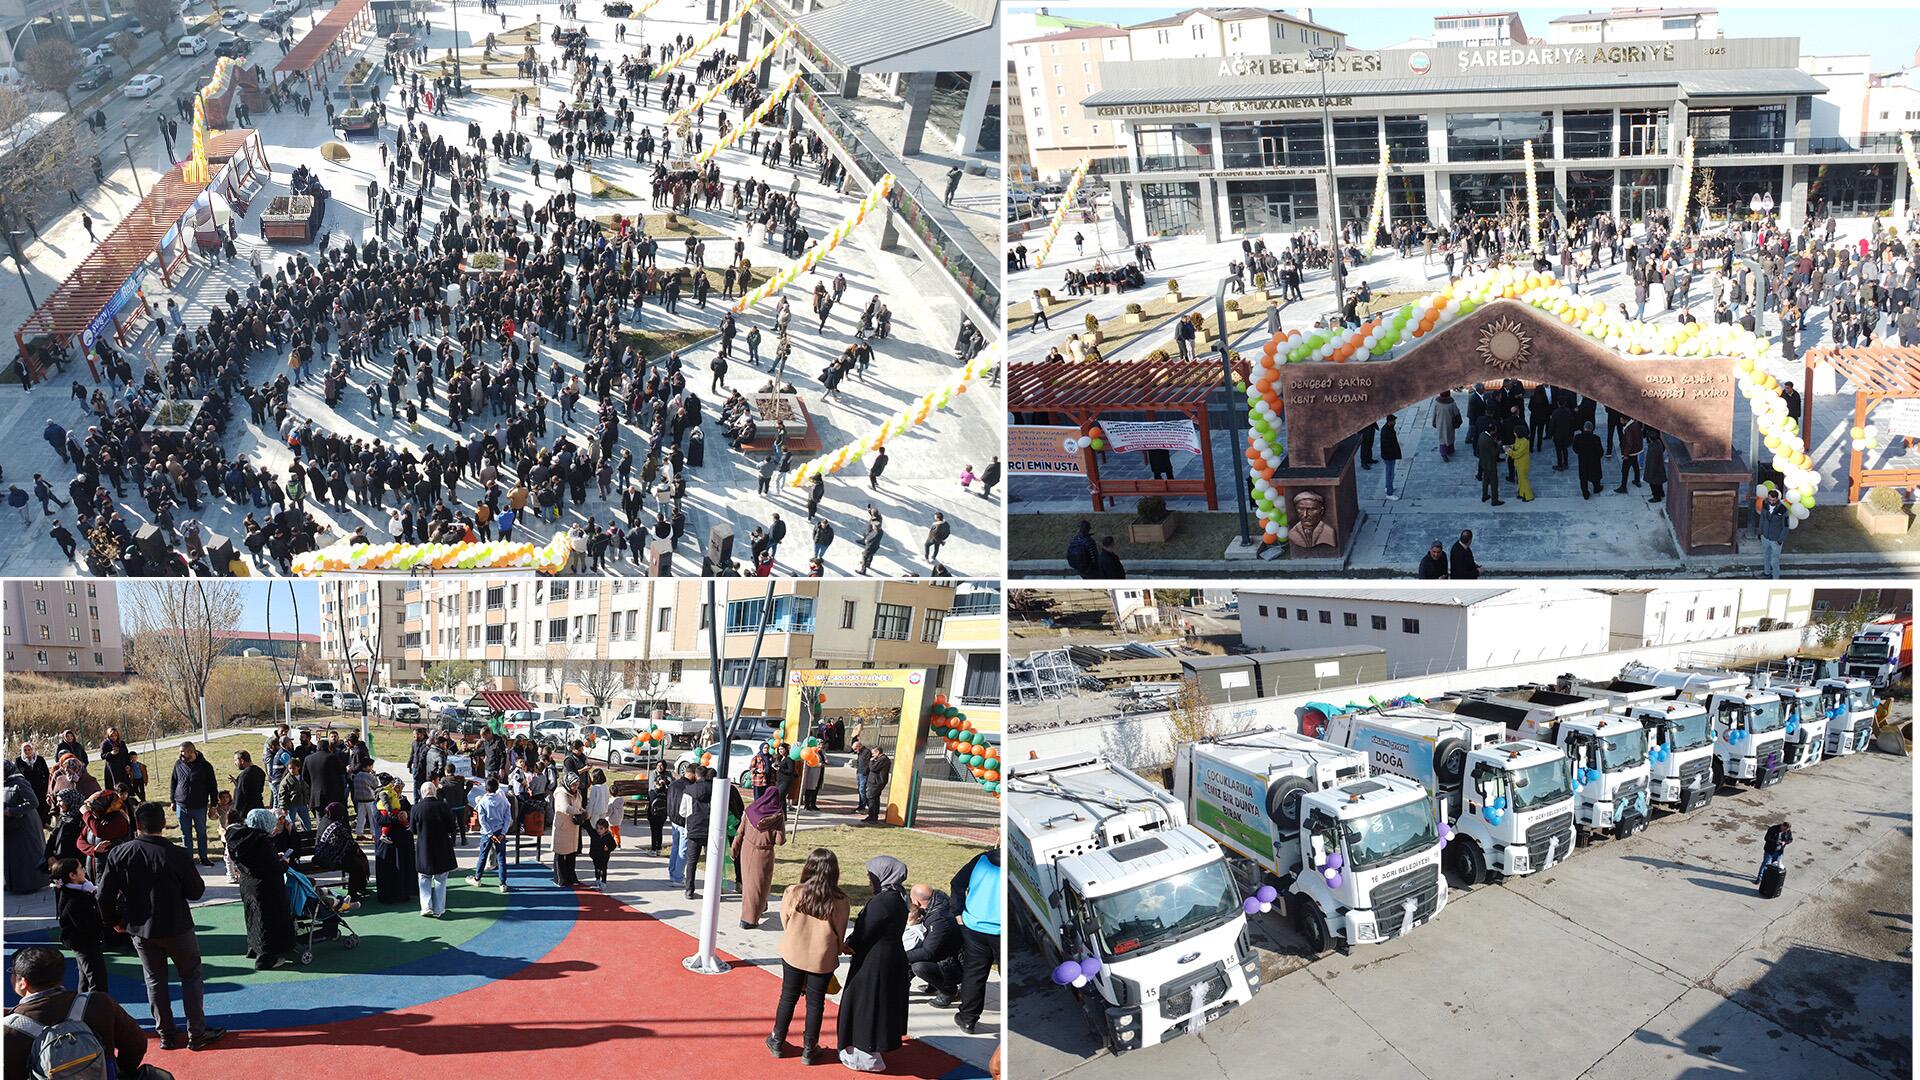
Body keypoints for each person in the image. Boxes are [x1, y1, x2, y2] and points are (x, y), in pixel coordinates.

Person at [97, 801, 226, 1050]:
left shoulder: (120, 853)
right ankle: (196, 1032)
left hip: (141, 928)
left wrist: (114, 922)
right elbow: (196, 891)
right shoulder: (175, 853)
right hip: (177, 925)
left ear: (137, 825)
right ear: (164, 824)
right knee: (190, 976)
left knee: (155, 980)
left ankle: (166, 1034)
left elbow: (103, 895)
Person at [3, 945, 149, 1079]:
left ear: (23, 982)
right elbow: (137, 1044)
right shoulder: (98, 1003)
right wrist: (118, 1072)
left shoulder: (9, 1029)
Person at [768, 848, 851, 1065]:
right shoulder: (841, 900)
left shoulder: (793, 891)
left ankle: (777, 1040)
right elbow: (840, 931)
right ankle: (809, 1047)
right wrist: (839, 947)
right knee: (816, 1003)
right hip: (821, 958)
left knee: (788, 996)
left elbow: (785, 920)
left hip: (793, 952)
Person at [838, 855, 912, 1071]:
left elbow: (865, 932)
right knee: (878, 1004)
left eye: (871, 875)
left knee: (866, 1004)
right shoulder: (899, 897)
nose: (869, 879)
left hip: (874, 961)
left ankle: (866, 1054)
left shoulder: (882, 902)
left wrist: (849, 944)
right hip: (889, 957)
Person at [226, 808, 297, 970]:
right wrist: (283, 863)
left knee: (253, 917)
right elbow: (273, 868)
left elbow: (258, 862)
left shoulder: (240, 838)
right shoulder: (261, 842)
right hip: (266, 888)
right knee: (269, 921)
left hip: (248, 884)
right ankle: (266, 958)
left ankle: (254, 948)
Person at [949, 847, 1001, 1033]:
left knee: (974, 973)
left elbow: (957, 883)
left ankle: (968, 1019)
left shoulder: (981, 859)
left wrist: (958, 912)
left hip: (974, 926)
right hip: (998, 930)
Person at [50, 858, 108, 993]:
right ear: (72, 875)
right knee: (96, 978)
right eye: (81, 868)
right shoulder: (74, 898)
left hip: (83, 942)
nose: (84, 871)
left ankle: (82, 1003)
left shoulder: (78, 891)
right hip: (85, 943)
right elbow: (86, 923)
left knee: (86, 978)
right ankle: (96, 1004)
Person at [733, 785, 787, 929]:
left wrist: (734, 849)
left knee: (748, 884)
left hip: (746, 850)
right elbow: (780, 841)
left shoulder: (750, 810)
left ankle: (759, 907)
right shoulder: (777, 816)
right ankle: (749, 919)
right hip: (763, 854)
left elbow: (740, 832)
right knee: (759, 885)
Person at [904, 882, 960, 1004]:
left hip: (955, 964)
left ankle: (949, 991)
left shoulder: (939, 919)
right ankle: (932, 985)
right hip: (946, 954)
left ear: (917, 902)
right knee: (912, 951)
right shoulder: (940, 903)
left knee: (918, 966)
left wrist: (899, 955)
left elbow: (928, 952)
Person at [413, 780, 457, 917]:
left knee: (423, 877)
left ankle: (426, 906)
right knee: (440, 879)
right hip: (442, 845)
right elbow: (451, 827)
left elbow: (413, 829)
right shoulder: (443, 806)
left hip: (424, 846)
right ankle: (438, 909)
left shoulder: (416, 808)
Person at [3, 763, 47, 894]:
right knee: (12, 857)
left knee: (26, 857)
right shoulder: (4, 783)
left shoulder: (20, 782)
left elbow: (33, 802)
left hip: (25, 827)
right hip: (10, 827)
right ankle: (13, 884)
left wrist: (11, 811)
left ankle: (30, 885)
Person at [171, 742, 216, 866]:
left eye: (183, 751)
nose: (181, 754)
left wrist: (213, 805)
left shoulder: (205, 766)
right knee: (185, 834)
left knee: (201, 833)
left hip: (199, 807)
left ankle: (203, 857)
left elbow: (212, 786)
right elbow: (173, 782)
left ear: (191, 751)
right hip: (181, 806)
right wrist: (172, 801)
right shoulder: (178, 764)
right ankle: (188, 859)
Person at [311, 802, 370, 898]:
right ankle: (353, 894)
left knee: (356, 860)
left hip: (321, 857)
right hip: (329, 860)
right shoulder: (336, 827)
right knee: (356, 865)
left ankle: (359, 888)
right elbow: (350, 844)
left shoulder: (324, 820)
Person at [373, 778, 416, 905]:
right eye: (396, 787)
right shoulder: (379, 801)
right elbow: (379, 820)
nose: (398, 790)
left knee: (400, 866)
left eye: (400, 788)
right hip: (385, 843)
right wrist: (396, 819)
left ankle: (401, 893)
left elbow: (410, 813)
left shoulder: (403, 800)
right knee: (385, 869)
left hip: (400, 841)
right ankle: (386, 896)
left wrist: (406, 815)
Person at [468, 777, 511, 892]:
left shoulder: (483, 801)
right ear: (497, 787)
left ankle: (477, 878)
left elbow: (482, 820)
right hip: (500, 831)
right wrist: (503, 832)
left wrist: (490, 834)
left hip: (487, 833)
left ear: (486, 788)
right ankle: (503, 883)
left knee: (483, 856)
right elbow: (508, 818)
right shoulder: (503, 800)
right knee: (501, 858)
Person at [552, 772, 585, 887]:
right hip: (562, 826)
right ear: (568, 783)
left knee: (571, 853)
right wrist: (579, 812)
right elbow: (565, 807)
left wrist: (584, 812)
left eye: (577, 785)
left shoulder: (577, 793)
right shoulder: (561, 793)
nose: (576, 787)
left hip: (573, 827)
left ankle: (571, 877)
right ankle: (560, 879)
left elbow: (579, 806)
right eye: (574, 785)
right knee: (560, 853)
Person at [1758, 488, 1790, 579]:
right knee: (1766, 556)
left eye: (1773, 500)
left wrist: (1780, 540)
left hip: (1776, 539)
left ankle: (1775, 578)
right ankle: (1766, 573)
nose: (1771, 502)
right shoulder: (1765, 504)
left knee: (1774, 562)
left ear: (1777, 499)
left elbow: (1786, 526)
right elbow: (1762, 518)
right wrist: (1760, 532)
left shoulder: (1783, 509)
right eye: (1770, 499)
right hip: (1765, 536)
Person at [1572, 420, 1606, 499]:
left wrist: (1580, 453)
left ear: (1584, 428)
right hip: (1594, 461)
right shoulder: (1596, 438)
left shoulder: (1578, 437)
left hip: (1583, 460)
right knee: (1595, 475)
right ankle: (1596, 488)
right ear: (1592, 429)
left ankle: (1585, 493)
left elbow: (1575, 448)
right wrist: (1597, 457)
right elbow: (1600, 452)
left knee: (1583, 478)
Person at [1756, 819, 1792, 883]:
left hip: (1779, 852)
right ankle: (1759, 878)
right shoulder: (1773, 829)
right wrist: (1776, 842)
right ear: (1782, 825)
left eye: (1786, 830)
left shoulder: (1788, 831)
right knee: (1766, 864)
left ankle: (1769, 879)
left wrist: (1785, 842)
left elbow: (1790, 839)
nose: (1784, 831)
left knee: (1774, 867)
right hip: (1770, 850)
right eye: (1784, 829)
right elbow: (1767, 838)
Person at [645, 764, 670, 855]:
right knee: (659, 831)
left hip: (653, 814)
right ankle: (659, 849)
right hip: (662, 814)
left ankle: (653, 849)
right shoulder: (666, 793)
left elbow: (650, 799)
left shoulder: (652, 793)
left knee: (654, 831)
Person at [863, 745, 891, 823]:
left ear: (878, 752)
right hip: (874, 781)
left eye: (873, 753)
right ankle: (872, 816)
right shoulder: (880, 759)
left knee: (871, 798)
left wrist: (871, 761)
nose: (872, 755)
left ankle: (873, 817)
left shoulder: (883, 759)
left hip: (876, 782)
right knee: (874, 798)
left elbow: (873, 768)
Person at [1506, 428, 1534, 502]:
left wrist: (1509, 451)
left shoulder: (1525, 442)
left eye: (1515, 432)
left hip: (1523, 463)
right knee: (1520, 478)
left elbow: (1518, 453)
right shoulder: (1518, 439)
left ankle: (1529, 496)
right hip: (1518, 462)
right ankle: (1521, 493)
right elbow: (1515, 446)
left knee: (1523, 479)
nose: (1514, 433)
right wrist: (1510, 446)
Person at [1379, 414, 1403, 499]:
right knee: (1390, 473)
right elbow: (1388, 445)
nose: (1395, 422)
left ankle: (1388, 486)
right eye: (1394, 421)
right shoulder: (1387, 431)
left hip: (1389, 455)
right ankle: (1389, 493)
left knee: (1389, 472)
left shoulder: (1387, 428)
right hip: (1389, 456)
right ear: (1390, 422)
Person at [587, 818, 616, 885]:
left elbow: (613, 845)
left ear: (606, 829)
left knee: (603, 869)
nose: (598, 830)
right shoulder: (594, 834)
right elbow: (588, 827)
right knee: (597, 868)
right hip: (595, 855)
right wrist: (586, 818)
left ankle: (603, 882)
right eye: (597, 828)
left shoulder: (608, 836)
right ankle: (597, 879)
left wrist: (608, 848)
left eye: (601, 828)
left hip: (604, 857)